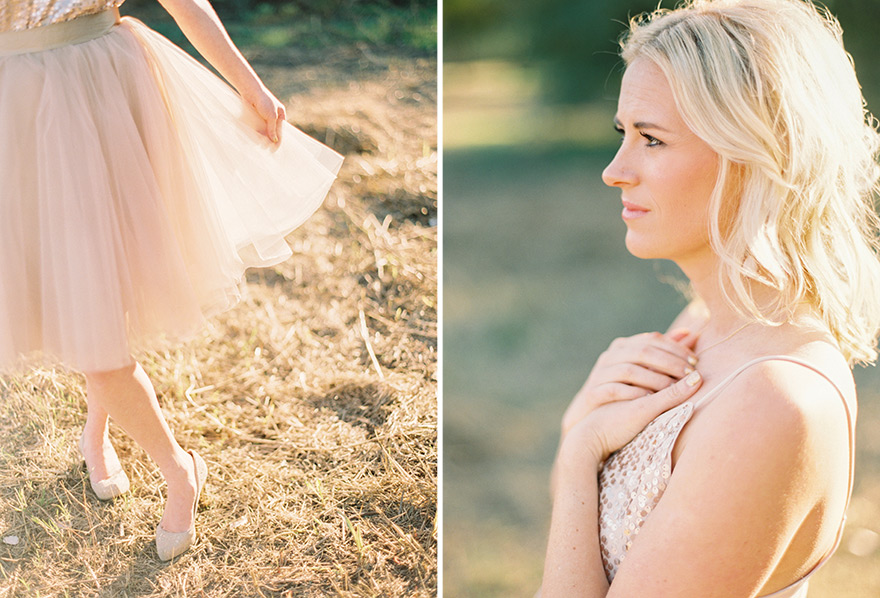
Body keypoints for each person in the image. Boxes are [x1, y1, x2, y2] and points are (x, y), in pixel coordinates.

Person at [540, 0, 880, 595]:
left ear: (755, 155)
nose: (614, 171)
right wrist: (581, 434)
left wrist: (578, 454)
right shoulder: (705, 325)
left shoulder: (778, 402)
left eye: (651, 139)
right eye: (624, 134)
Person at [0, 1, 343, 561]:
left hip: (103, 88)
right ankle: (96, 434)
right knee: (83, 284)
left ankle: (178, 469)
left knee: (97, 303)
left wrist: (250, 86)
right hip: (18, 108)